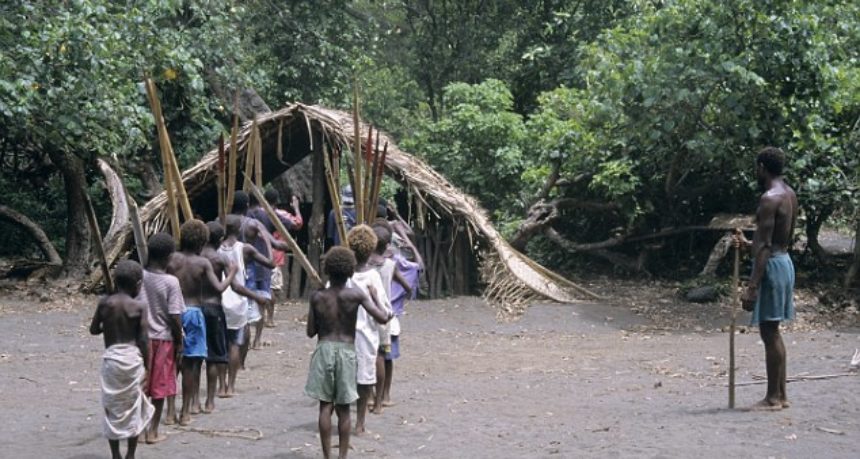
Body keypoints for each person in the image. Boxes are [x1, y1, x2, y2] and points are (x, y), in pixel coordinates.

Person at [305, 246, 393, 459]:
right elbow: (382, 317)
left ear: (327, 270)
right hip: (346, 351)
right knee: (344, 409)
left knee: (325, 407)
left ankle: (327, 456)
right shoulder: (356, 295)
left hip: (324, 349)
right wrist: (374, 296)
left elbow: (310, 332)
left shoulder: (317, 296)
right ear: (351, 271)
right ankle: (342, 456)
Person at [734, 146, 798, 411]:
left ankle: (773, 397)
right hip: (784, 263)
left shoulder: (769, 199)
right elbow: (773, 241)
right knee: (774, 331)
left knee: (769, 332)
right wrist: (748, 242)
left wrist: (752, 287)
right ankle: (781, 395)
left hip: (771, 266)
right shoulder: (789, 194)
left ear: (762, 167)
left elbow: (764, 247)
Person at [167, 219, 237, 425]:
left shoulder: (172, 259)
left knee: (173, 363)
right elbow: (219, 287)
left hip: (174, 312)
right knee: (192, 364)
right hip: (194, 313)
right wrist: (232, 272)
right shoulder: (202, 263)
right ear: (201, 242)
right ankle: (186, 412)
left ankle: (170, 412)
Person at [90, 260, 154, 459]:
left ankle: (115, 454)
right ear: (137, 284)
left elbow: (93, 329)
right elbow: (143, 340)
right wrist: (148, 366)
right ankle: (131, 454)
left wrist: (106, 327)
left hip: (111, 360)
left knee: (112, 407)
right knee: (133, 407)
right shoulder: (139, 306)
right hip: (131, 359)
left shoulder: (104, 303)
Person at [219, 214, 274, 395]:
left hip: (219, 300)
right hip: (239, 300)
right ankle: (231, 386)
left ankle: (220, 386)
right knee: (235, 344)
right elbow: (271, 263)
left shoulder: (215, 249)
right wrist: (266, 241)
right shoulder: (246, 249)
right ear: (239, 230)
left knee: (222, 345)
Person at [345, 225, 392, 434]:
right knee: (365, 380)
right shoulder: (373, 277)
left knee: (346, 380)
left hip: (344, 335)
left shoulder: (343, 275)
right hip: (366, 336)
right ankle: (360, 423)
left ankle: (345, 420)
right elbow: (385, 312)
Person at [137, 233, 184, 443]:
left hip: (140, 339)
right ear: (167, 256)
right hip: (163, 339)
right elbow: (175, 317)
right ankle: (153, 431)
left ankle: (137, 430)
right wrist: (180, 340)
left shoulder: (140, 276)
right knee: (159, 387)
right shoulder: (170, 282)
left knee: (141, 385)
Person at [235, 190, 292, 350]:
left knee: (240, 304)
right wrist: (286, 245)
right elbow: (283, 233)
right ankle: (257, 340)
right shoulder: (259, 220)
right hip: (259, 267)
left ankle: (238, 340)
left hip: (235, 269)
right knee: (261, 301)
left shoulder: (227, 221)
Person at [368, 222, 413, 412]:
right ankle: (384, 396)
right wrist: (400, 298)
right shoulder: (390, 266)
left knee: (368, 356)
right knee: (387, 358)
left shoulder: (363, 265)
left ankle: (369, 396)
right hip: (386, 318)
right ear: (387, 246)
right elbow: (408, 287)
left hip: (367, 317)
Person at [265, 187, 303, 328]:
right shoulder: (281, 214)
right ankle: (269, 318)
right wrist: (296, 208)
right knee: (271, 288)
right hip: (275, 257)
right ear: (277, 201)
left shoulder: (257, 214)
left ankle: (260, 316)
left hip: (258, 255)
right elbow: (298, 223)